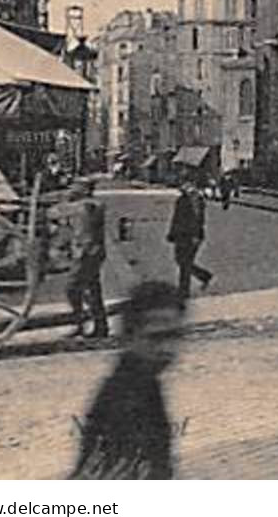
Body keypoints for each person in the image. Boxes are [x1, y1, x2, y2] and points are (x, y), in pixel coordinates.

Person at [70, 281, 187, 479]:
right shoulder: (123, 397)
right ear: (129, 339)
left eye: (175, 336)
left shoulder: (147, 385)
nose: (167, 348)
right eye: (156, 337)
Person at [64, 179, 109, 339]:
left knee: (72, 288)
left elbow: (85, 234)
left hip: (87, 253)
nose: (70, 189)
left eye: (74, 186)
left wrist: (80, 252)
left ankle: (81, 321)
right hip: (92, 252)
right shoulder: (91, 205)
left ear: (83, 189)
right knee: (93, 289)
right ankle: (99, 325)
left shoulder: (85, 207)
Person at [165, 173, 213, 298]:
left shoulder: (193, 198)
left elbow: (197, 218)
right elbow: (177, 218)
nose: (181, 186)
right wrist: (172, 233)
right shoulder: (183, 198)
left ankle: (184, 291)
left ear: (191, 184)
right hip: (181, 235)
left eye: (184, 183)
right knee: (182, 261)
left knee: (184, 262)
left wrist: (195, 236)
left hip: (189, 235)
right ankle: (203, 276)